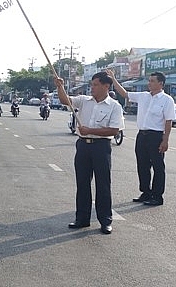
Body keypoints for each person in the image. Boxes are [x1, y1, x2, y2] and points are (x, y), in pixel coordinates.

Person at [55, 71, 124, 234]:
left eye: (95, 85)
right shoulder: (84, 101)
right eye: (91, 84)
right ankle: (82, 218)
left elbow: (114, 130)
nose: (92, 88)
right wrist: (60, 87)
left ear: (106, 86)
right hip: (83, 146)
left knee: (103, 185)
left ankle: (105, 220)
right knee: (83, 183)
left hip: (101, 147)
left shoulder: (114, 106)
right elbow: (65, 100)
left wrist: (90, 130)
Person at [108, 69, 175, 206]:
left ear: (161, 84)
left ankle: (157, 196)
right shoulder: (143, 96)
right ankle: (146, 192)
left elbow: (168, 121)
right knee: (142, 165)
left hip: (156, 136)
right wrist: (114, 79)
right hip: (142, 136)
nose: (149, 83)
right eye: (149, 81)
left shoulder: (167, 100)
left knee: (158, 166)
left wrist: (165, 140)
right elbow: (125, 94)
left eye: (152, 81)